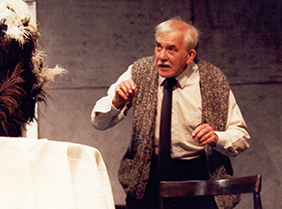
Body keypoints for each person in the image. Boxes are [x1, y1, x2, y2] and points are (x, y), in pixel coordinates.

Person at [91, 18, 250, 209]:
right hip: (148, 178)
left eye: (171, 49)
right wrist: (117, 102)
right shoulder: (140, 71)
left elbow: (241, 137)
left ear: (190, 55)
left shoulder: (212, 79)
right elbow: (98, 122)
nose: (161, 57)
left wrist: (217, 137)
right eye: (158, 47)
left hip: (199, 179)